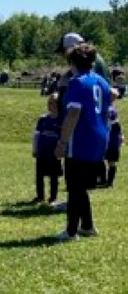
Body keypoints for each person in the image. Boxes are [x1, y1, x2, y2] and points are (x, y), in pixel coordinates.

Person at [54, 43, 111, 241]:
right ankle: (87, 225)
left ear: (72, 62)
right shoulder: (102, 82)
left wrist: (62, 142)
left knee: (74, 186)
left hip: (81, 138)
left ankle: (70, 232)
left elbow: (73, 114)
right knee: (80, 186)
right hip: (100, 137)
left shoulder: (77, 82)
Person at [31, 93, 63, 205]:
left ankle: (53, 197)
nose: (49, 105)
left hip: (54, 152)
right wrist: (35, 149)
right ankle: (40, 196)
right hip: (42, 151)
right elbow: (36, 135)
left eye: (52, 102)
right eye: (48, 103)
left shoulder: (61, 120)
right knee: (39, 174)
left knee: (53, 176)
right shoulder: (43, 119)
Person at [102, 89, 122, 188]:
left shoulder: (109, 109)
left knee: (110, 161)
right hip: (109, 140)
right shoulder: (109, 108)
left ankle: (108, 181)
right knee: (105, 161)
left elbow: (114, 125)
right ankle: (105, 180)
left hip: (110, 140)